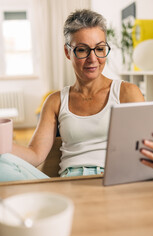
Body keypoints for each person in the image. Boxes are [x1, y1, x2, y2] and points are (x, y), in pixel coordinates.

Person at [0, 9, 144, 181]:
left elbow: (144, 148)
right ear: (68, 52)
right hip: (67, 183)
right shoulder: (55, 101)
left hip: (112, 180)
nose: (93, 58)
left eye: (99, 49)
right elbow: (35, 154)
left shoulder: (127, 93)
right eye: (82, 50)